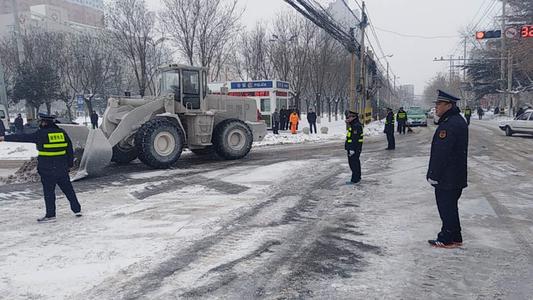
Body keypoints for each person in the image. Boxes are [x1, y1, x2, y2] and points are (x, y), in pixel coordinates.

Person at [0, 113, 82, 223]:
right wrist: (69, 165)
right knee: (68, 189)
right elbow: (69, 149)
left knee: (49, 192)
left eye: (41, 121)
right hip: (62, 168)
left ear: (44, 122)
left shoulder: (41, 134)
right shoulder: (62, 133)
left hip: (47, 168)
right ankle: (77, 210)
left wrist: (4, 138)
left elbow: (23, 137)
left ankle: (51, 215)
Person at [427, 90, 468, 248]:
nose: (436, 107)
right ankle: (456, 236)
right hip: (455, 175)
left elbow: (441, 154)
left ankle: (446, 238)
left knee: (446, 208)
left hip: (447, 177)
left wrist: (434, 175)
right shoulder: (457, 120)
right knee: (451, 206)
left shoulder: (450, 124)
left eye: (439, 104)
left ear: (449, 105)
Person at [345, 111, 363, 184]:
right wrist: (348, 123)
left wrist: (352, 149)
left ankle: (354, 179)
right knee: (355, 163)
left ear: (354, 117)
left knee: (353, 164)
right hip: (354, 148)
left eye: (350, 117)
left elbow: (354, 139)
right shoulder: (354, 124)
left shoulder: (356, 126)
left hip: (354, 148)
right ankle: (357, 177)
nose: (348, 118)